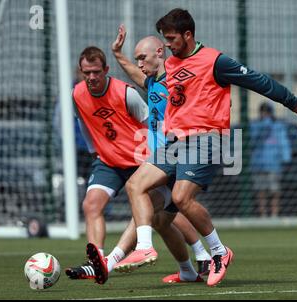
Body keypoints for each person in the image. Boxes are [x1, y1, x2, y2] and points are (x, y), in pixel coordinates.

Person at [123, 8, 297, 287]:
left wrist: (289, 100)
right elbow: (155, 87)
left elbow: (256, 79)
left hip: (206, 138)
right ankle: (145, 248)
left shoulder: (215, 61)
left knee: (181, 197)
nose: (168, 44)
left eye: (172, 38)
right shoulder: (171, 64)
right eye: (165, 39)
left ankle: (219, 252)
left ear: (188, 34)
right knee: (135, 184)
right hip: (176, 141)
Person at [65, 46, 203, 285]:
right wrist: (95, 151)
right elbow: (84, 124)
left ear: (106, 70)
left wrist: (159, 157)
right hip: (108, 161)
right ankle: (96, 261)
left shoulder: (125, 92)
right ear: (80, 72)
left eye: (96, 72)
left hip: (140, 159)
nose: (91, 77)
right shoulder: (76, 94)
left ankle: (202, 252)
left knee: (161, 215)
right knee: (91, 204)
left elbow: (153, 123)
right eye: (86, 72)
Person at [103, 25, 212, 280]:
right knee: (162, 222)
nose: (139, 63)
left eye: (143, 57)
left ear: (160, 52)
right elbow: (134, 74)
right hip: (164, 159)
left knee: (138, 193)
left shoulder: (176, 82)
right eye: (137, 58)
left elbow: (203, 94)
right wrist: (118, 54)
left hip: (175, 156)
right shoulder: (153, 83)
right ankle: (193, 266)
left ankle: (117, 258)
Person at [250, 102, 291, 217]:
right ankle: (263, 215)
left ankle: (274, 214)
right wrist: (263, 126)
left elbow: (284, 142)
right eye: (263, 111)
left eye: (267, 111)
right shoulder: (255, 126)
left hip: (274, 164)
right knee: (261, 191)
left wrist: (286, 157)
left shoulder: (278, 126)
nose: (265, 114)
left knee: (275, 191)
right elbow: (252, 140)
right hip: (258, 164)